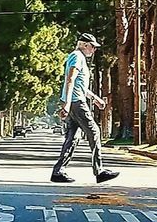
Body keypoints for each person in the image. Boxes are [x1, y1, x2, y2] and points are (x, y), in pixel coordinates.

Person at [50, 32, 119, 185]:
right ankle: (99, 171)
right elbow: (70, 79)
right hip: (76, 103)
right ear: (85, 45)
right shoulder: (76, 56)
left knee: (73, 137)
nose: (94, 50)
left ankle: (58, 171)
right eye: (93, 47)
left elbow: (80, 86)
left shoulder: (78, 58)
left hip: (76, 101)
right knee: (94, 131)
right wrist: (67, 104)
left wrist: (95, 99)